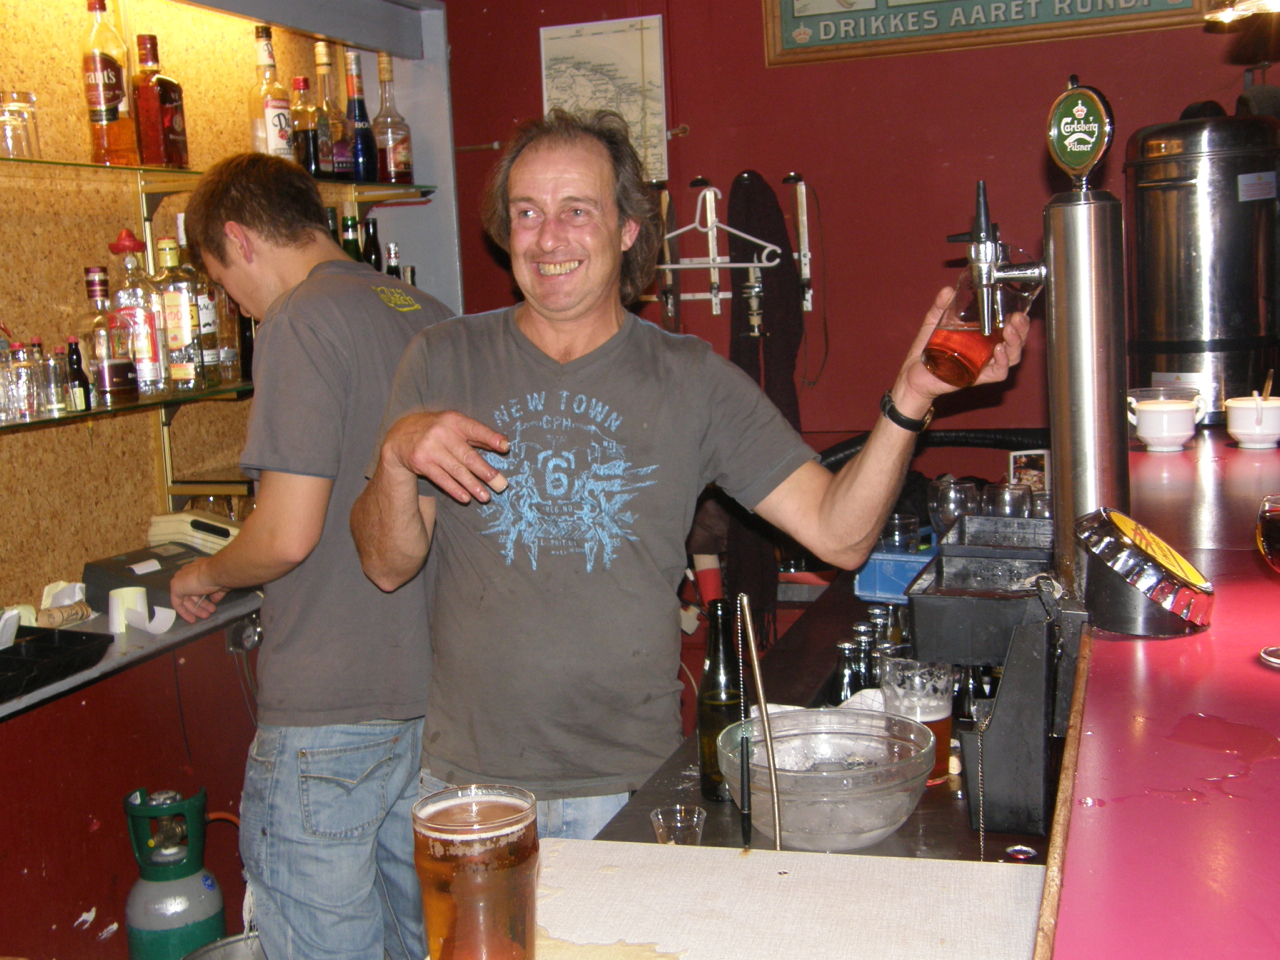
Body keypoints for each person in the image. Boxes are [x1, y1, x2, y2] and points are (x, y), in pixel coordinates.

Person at [350, 109, 1028, 840]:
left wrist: (910, 399)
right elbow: (386, 565)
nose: (548, 238)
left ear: (627, 229)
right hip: (471, 790)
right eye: (527, 213)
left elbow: (841, 535)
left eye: (577, 210)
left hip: (625, 789)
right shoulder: (442, 357)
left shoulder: (691, 379)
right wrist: (395, 456)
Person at [169, 153, 453, 960]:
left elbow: (287, 534)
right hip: (434, 704)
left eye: (223, 281)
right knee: (423, 943)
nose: (236, 303)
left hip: (329, 716)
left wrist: (201, 572)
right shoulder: (428, 310)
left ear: (238, 239)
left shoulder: (299, 320)